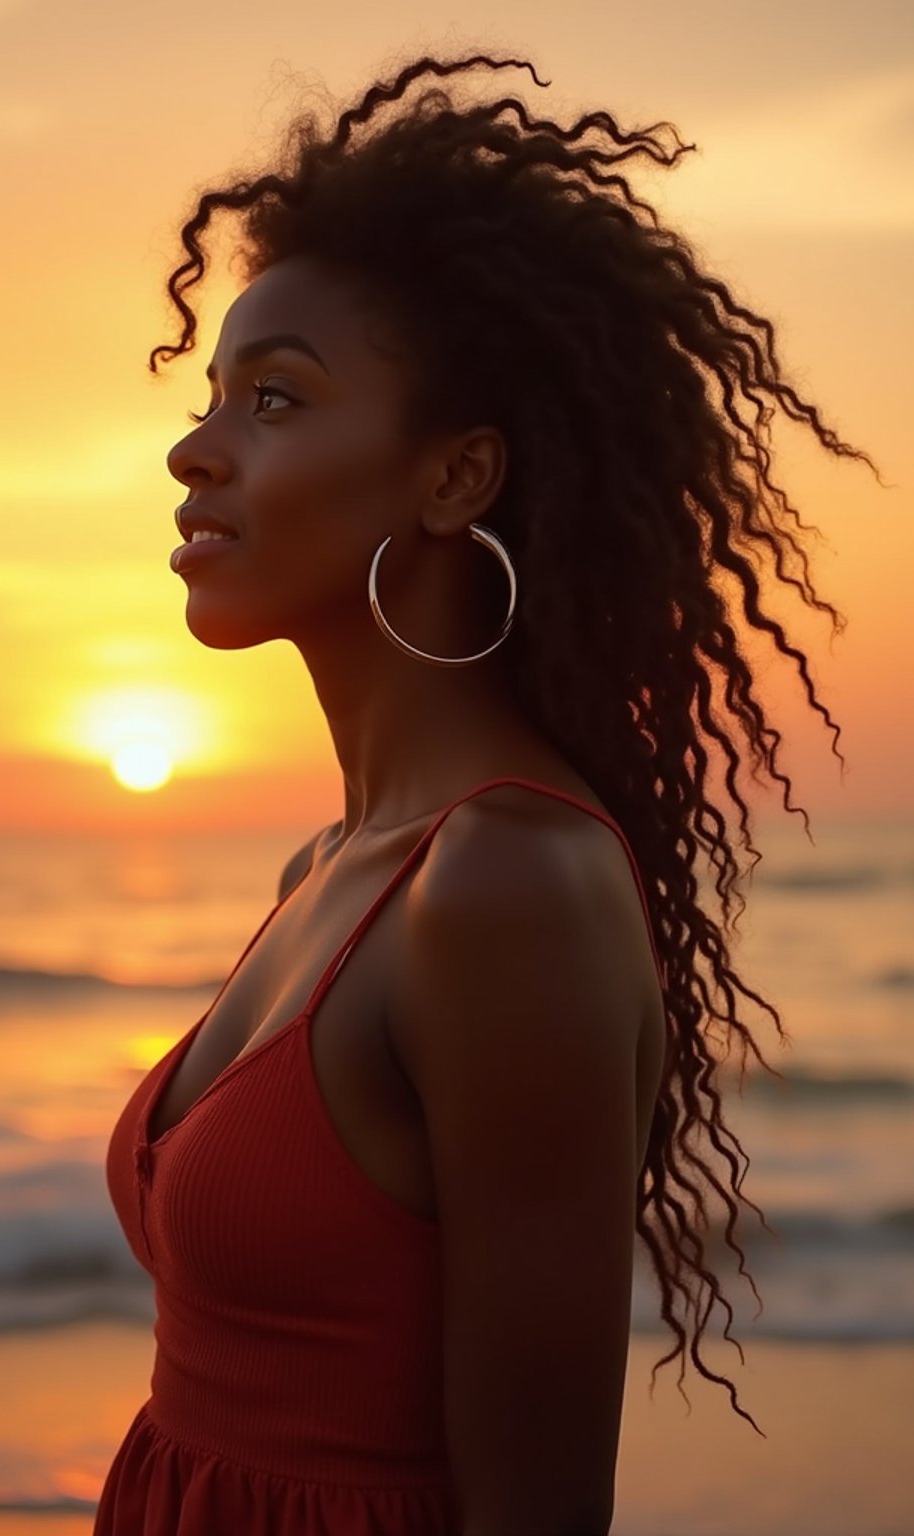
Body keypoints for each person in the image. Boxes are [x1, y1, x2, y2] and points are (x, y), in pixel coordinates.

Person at [93, 49, 881, 1536]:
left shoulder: (512, 886)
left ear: (455, 481)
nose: (195, 450)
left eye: (274, 401)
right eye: (212, 397)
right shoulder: (330, 866)